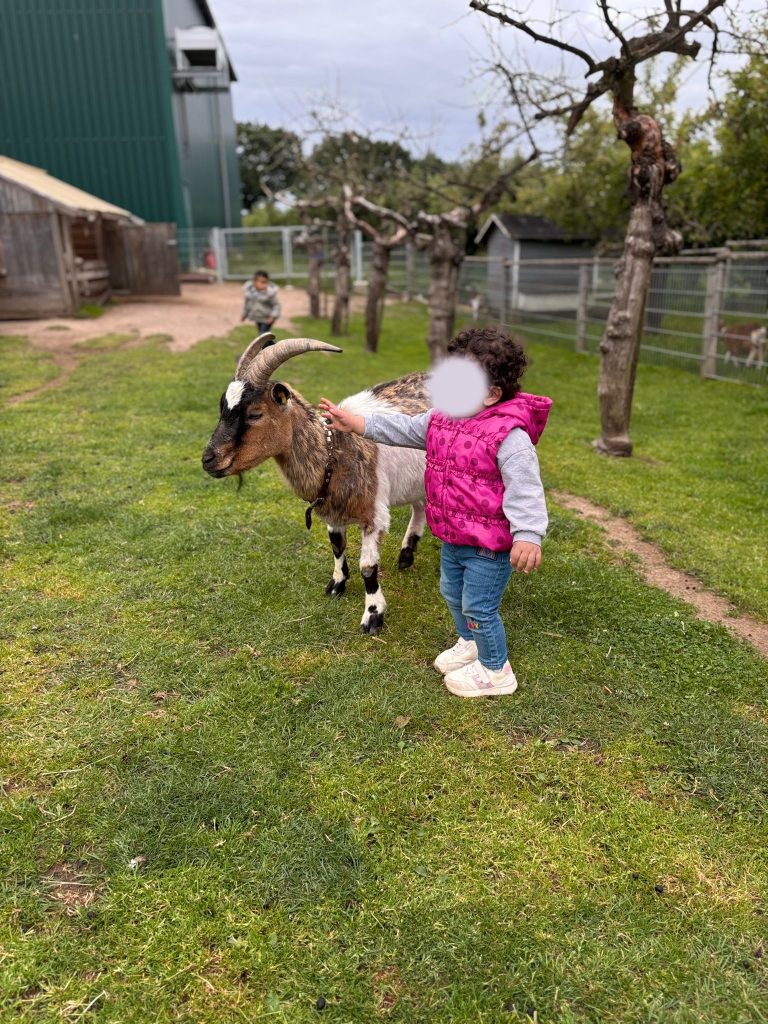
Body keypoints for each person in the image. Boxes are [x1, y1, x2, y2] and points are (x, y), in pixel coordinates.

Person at [319, 327, 551, 698]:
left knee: (479, 606)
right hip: (454, 534)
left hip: (489, 544)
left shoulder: (510, 437)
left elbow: (527, 491)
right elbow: (403, 428)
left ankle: (496, 670)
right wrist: (358, 423)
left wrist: (528, 535)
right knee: (451, 593)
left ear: (492, 394)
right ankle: (470, 643)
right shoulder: (442, 418)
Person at [241, 270, 281, 334]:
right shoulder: (250, 293)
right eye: (262, 282)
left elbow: (276, 305)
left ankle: (270, 343)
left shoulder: (269, 294)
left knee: (263, 335)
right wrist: (244, 314)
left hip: (267, 319)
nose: (265, 285)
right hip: (258, 318)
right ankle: (272, 344)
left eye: (266, 282)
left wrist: (273, 316)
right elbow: (247, 305)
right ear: (254, 282)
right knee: (264, 336)